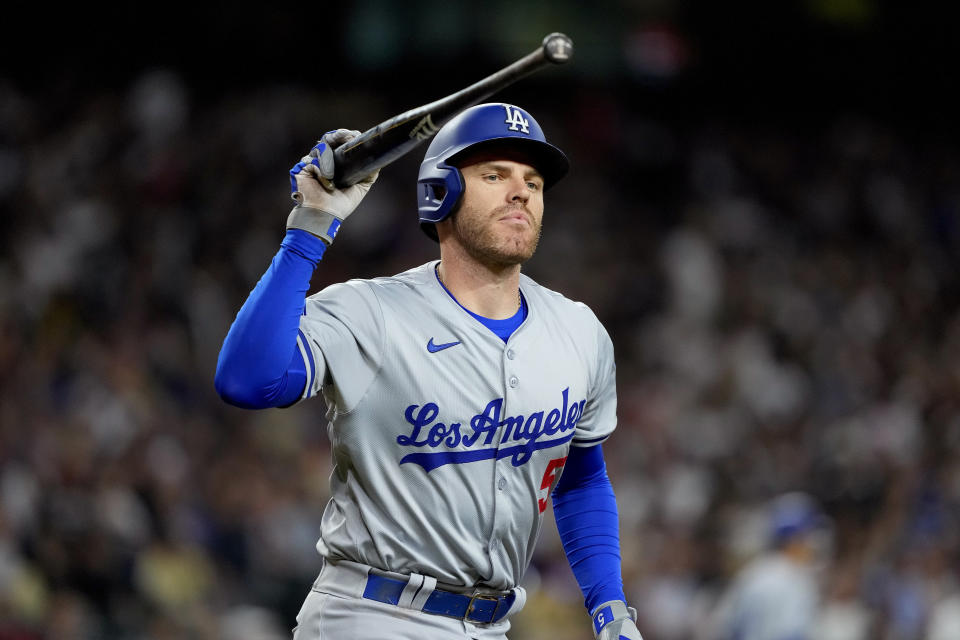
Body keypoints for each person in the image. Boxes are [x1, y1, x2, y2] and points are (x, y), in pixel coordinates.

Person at [214, 103, 642, 640]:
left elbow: (581, 479)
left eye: (532, 181)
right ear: (442, 192)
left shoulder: (578, 330)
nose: (521, 192)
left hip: (492, 625)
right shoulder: (371, 313)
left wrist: (610, 607)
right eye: (495, 175)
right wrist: (311, 227)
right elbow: (246, 381)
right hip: (372, 615)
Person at [700, 492, 831, 640]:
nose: (814, 544)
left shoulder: (752, 573)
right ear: (795, 538)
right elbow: (793, 635)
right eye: (808, 535)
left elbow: (723, 628)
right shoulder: (796, 579)